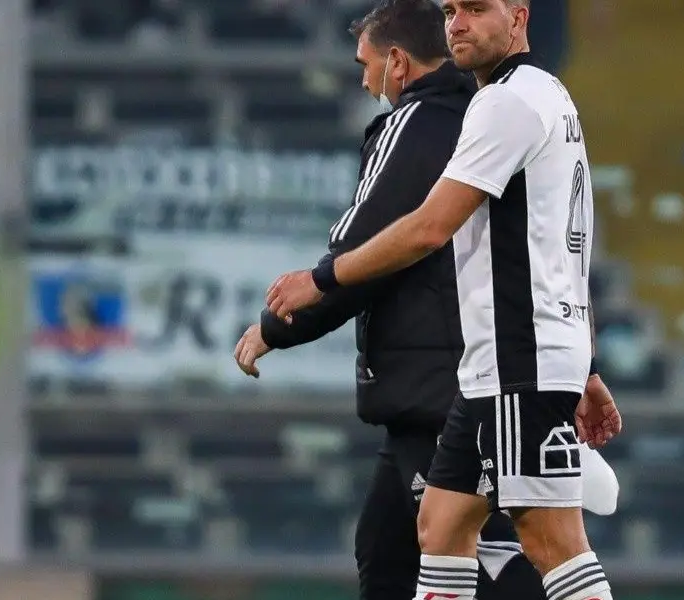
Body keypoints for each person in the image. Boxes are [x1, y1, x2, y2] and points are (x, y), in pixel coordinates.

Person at [235, 1, 620, 599]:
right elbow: (567, 246)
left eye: (476, 8)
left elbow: (427, 229)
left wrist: (324, 279)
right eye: (451, 10)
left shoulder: (503, 103)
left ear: (518, 16)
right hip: (500, 365)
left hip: (519, 360)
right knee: (439, 525)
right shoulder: (550, 96)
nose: (458, 22)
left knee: (552, 543)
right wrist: (585, 367)